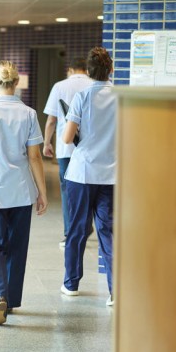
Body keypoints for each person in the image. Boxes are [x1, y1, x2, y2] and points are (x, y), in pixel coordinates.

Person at [0, 61, 48, 325]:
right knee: (16, 246)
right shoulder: (29, 114)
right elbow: (35, 156)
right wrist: (42, 192)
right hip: (21, 190)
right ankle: (10, 300)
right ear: (16, 84)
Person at [59, 47, 116, 307]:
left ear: (89, 72)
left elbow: (67, 138)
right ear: (110, 70)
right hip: (111, 174)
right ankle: (115, 291)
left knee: (77, 230)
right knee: (108, 231)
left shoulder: (82, 96)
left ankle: (71, 284)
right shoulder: (121, 97)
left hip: (81, 174)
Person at [42, 58, 93, 248]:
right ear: (86, 69)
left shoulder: (60, 86)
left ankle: (69, 232)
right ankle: (86, 226)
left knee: (67, 191)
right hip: (88, 148)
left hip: (66, 148)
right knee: (88, 188)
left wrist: (47, 143)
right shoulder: (93, 85)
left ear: (70, 69)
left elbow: (51, 120)